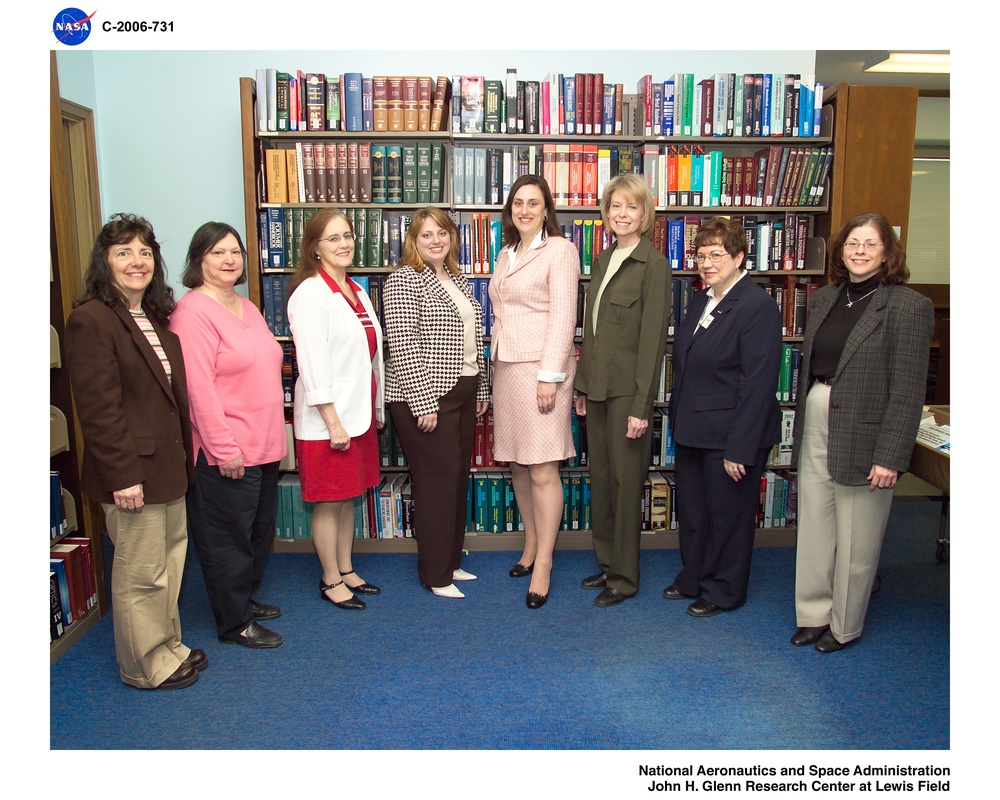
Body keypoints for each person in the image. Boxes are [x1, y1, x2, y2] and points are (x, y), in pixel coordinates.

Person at [64, 213, 203, 690]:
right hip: (131, 475)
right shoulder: (91, 320)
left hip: (167, 468)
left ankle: (166, 645)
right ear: (105, 262)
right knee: (140, 574)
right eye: (123, 252)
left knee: (169, 564)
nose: (136, 261)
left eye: (144, 252)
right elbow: (98, 410)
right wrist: (123, 476)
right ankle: (143, 665)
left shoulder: (153, 319)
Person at [790, 212, 933, 652]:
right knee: (815, 522)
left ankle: (844, 625)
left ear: (888, 252)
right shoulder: (825, 299)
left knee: (857, 534)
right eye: (853, 243)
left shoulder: (909, 306)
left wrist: (891, 456)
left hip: (868, 429)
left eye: (871, 244)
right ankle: (813, 613)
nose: (860, 251)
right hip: (819, 412)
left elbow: (908, 389)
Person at [170, 222, 287, 649]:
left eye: (235, 252)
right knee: (227, 541)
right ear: (198, 259)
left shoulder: (246, 306)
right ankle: (234, 622)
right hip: (227, 450)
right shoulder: (191, 314)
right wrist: (224, 449)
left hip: (264, 445)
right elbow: (197, 390)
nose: (229, 260)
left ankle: (242, 600)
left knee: (255, 534)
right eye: (217, 252)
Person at [662, 216, 782, 618]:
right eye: (701, 255)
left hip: (732, 435)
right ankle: (694, 577)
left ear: (739, 257)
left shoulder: (757, 306)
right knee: (695, 514)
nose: (707, 263)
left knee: (728, 517)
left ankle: (725, 590)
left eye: (717, 255)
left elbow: (758, 384)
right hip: (694, 428)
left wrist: (740, 449)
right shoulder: (702, 300)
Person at [574, 174, 671, 607]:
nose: (622, 214)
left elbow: (653, 343)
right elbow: (592, 331)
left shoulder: (654, 265)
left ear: (644, 213)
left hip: (628, 394)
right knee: (601, 480)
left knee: (626, 483)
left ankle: (625, 578)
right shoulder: (603, 259)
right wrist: (582, 386)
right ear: (606, 213)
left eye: (632, 207)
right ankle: (607, 562)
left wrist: (641, 406)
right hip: (597, 389)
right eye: (615, 206)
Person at [383, 208, 490, 599]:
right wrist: (423, 402)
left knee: (456, 479)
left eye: (441, 233)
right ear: (413, 240)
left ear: (451, 237)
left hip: (463, 390)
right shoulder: (403, 280)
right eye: (426, 234)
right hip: (425, 395)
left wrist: (481, 390)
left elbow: (474, 339)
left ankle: (450, 561)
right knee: (436, 485)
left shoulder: (457, 279)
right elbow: (404, 344)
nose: (435, 240)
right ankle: (435, 574)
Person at [489, 174, 580, 609]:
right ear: (510, 210)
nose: (524, 210)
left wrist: (549, 375)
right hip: (507, 369)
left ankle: (544, 561)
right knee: (518, 466)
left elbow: (564, 316)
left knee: (543, 468)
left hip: (542, 371)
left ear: (546, 210)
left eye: (533, 203)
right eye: (518, 203)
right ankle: (530, 544)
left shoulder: (560, 250)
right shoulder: (506, 253)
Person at [287, 208, 384, 611]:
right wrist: (333, 422)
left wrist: (376, 406)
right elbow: (312, 364)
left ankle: (346, 568)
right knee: (329, 500)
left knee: (349, 497)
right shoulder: (309, 294)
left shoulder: (356, 290)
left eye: (347, 235)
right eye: (333, 238)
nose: (344, 244)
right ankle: (330, 579)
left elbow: (370, 357)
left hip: (357, 414)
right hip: (330, 421)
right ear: (315, 248)